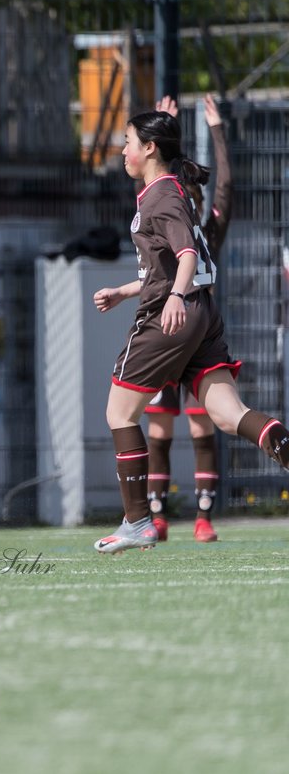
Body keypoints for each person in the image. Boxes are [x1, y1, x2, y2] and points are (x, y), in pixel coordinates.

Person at [91, 108, 289, 554]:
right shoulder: (169, 191)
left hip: (172, 314)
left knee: (119, 414)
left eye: (127, 142)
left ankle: (139, 520)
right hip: (201, 313)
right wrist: (124, 291)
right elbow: (165, 266)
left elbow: (184, 257)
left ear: (149, 148)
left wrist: (175, 299)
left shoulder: (162, 195)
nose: (122, 150)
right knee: (227, 414)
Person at [143, 95, 232, 543]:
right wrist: (163, 132)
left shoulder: (208, 226)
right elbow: (146, 191)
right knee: (158, 429)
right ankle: (157, 517)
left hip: (197, 331)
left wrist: (218, 132)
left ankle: (202, 518)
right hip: (165, 328)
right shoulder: (163, 209)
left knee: (202, 425)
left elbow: (225, 187)